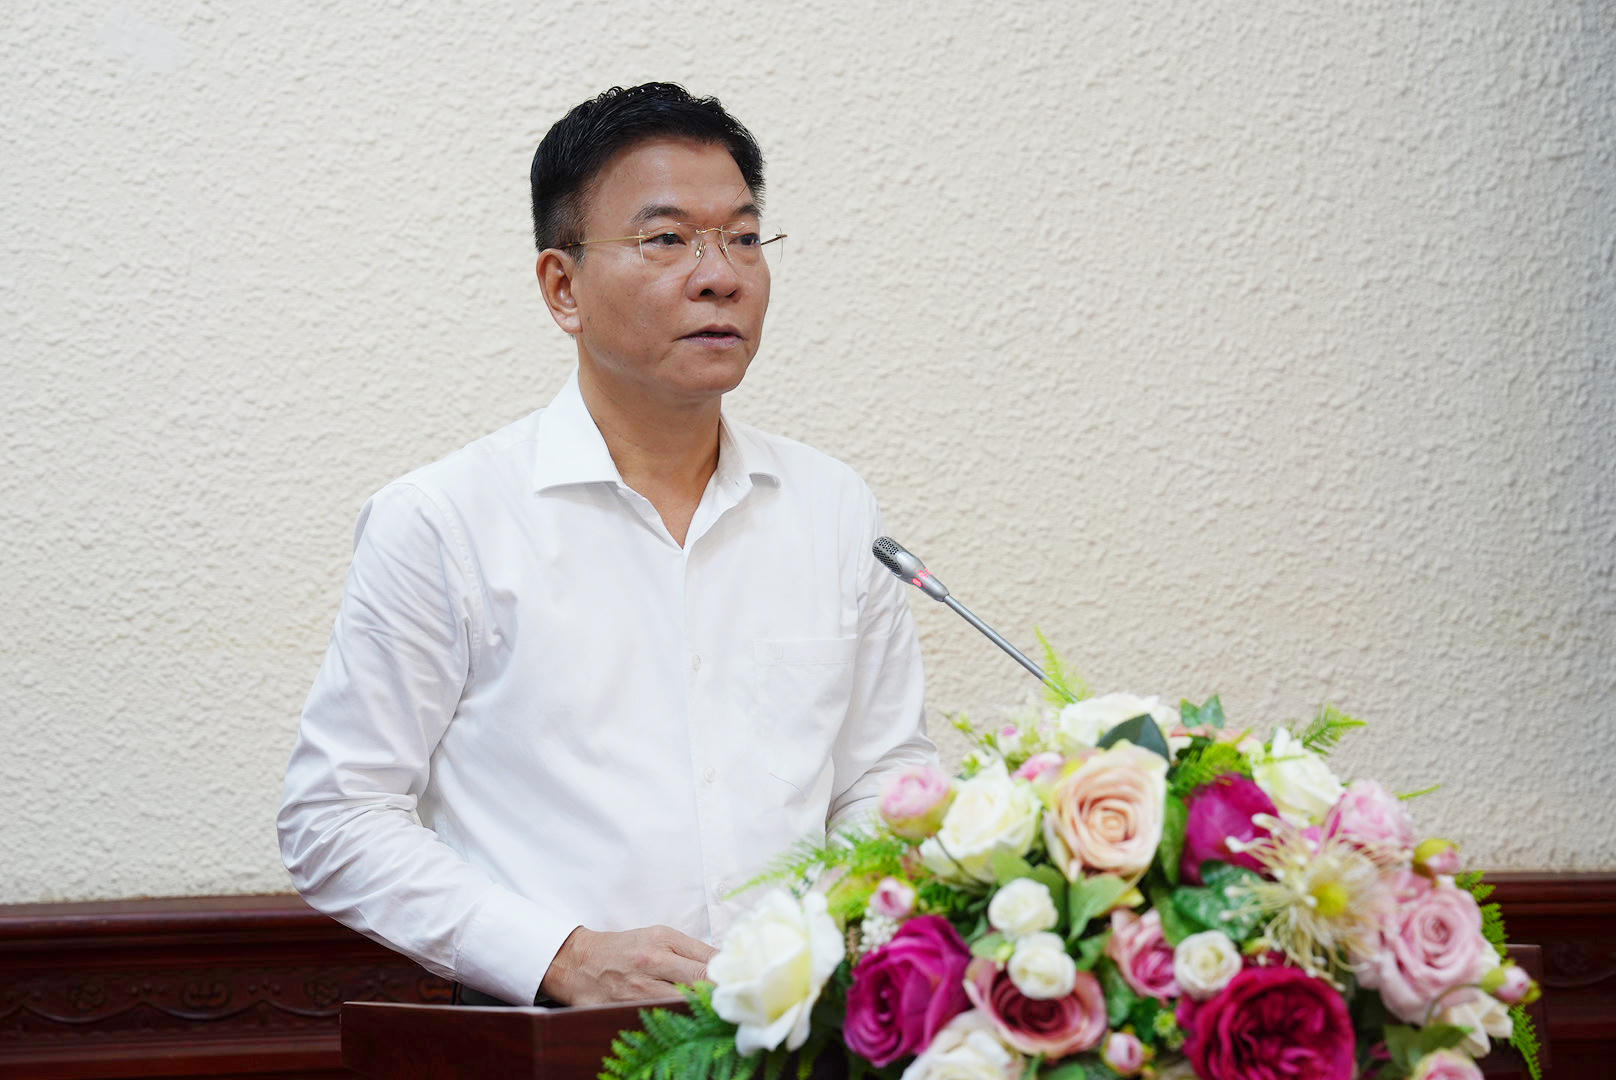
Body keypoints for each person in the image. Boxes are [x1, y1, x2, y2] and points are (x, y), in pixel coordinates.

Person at [277, 83, 936, 1009]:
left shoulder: (832, 507)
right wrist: (562, 956)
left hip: (803, 1034)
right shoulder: (444, 520)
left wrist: (832, 931)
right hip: (550, 1041)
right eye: (667, 240)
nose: (721, 275)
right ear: (563, 287)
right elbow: (335, 816)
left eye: (744, 238)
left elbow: (883, 773)